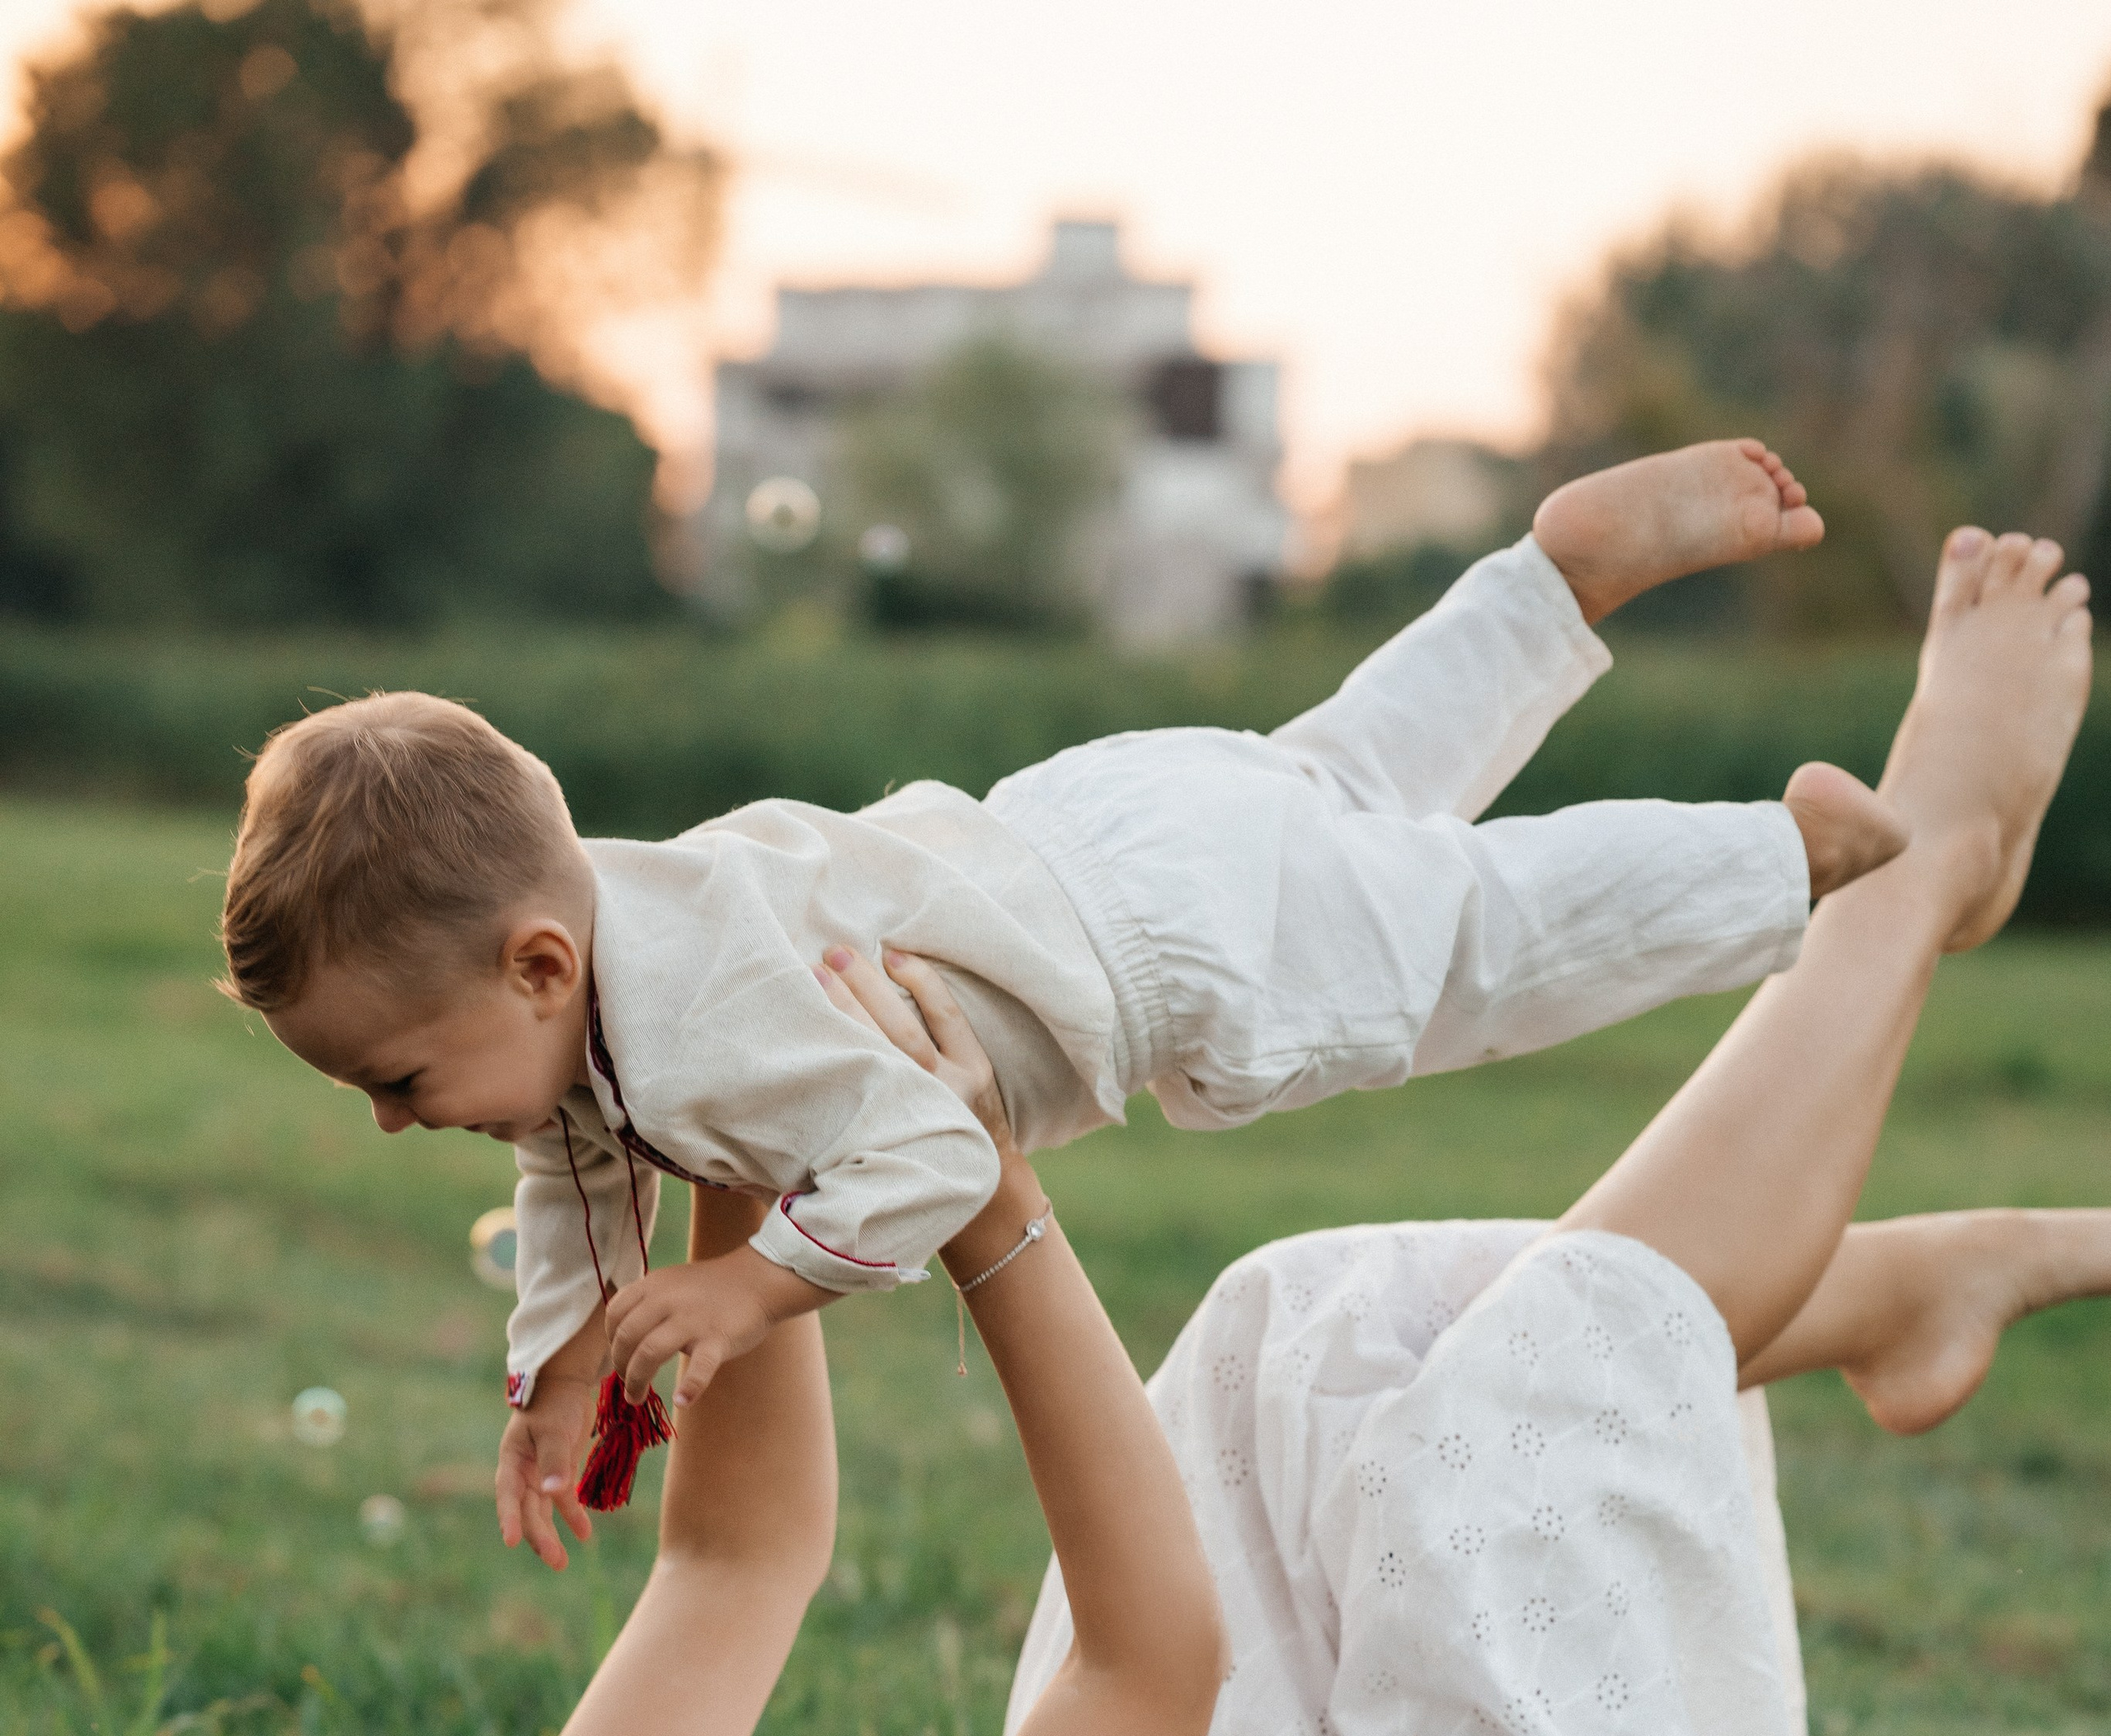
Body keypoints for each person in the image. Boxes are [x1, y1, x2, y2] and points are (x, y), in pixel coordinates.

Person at [0, 525, 2091, 1736]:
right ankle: (1903, 886)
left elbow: (739, 1572)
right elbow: (1141, 1659)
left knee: (1305, 1336)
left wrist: (753, 1114)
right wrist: (988, 1209)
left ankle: (1873, 1296)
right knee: (1502, 1410)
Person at [213, 441, 1910, 1568]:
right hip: (1098, 819)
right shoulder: (603, 944)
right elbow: (572, 1171)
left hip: (1161, 962)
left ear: (528, 971)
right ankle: (1547, 582)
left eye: (396, 1074)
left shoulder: (713, 1023)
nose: (387, 1119)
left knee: (1469, 941)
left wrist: (741, 1295)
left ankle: (1776, 855)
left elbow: (926, 1156)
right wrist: (557, 1374)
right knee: (1350, 773)